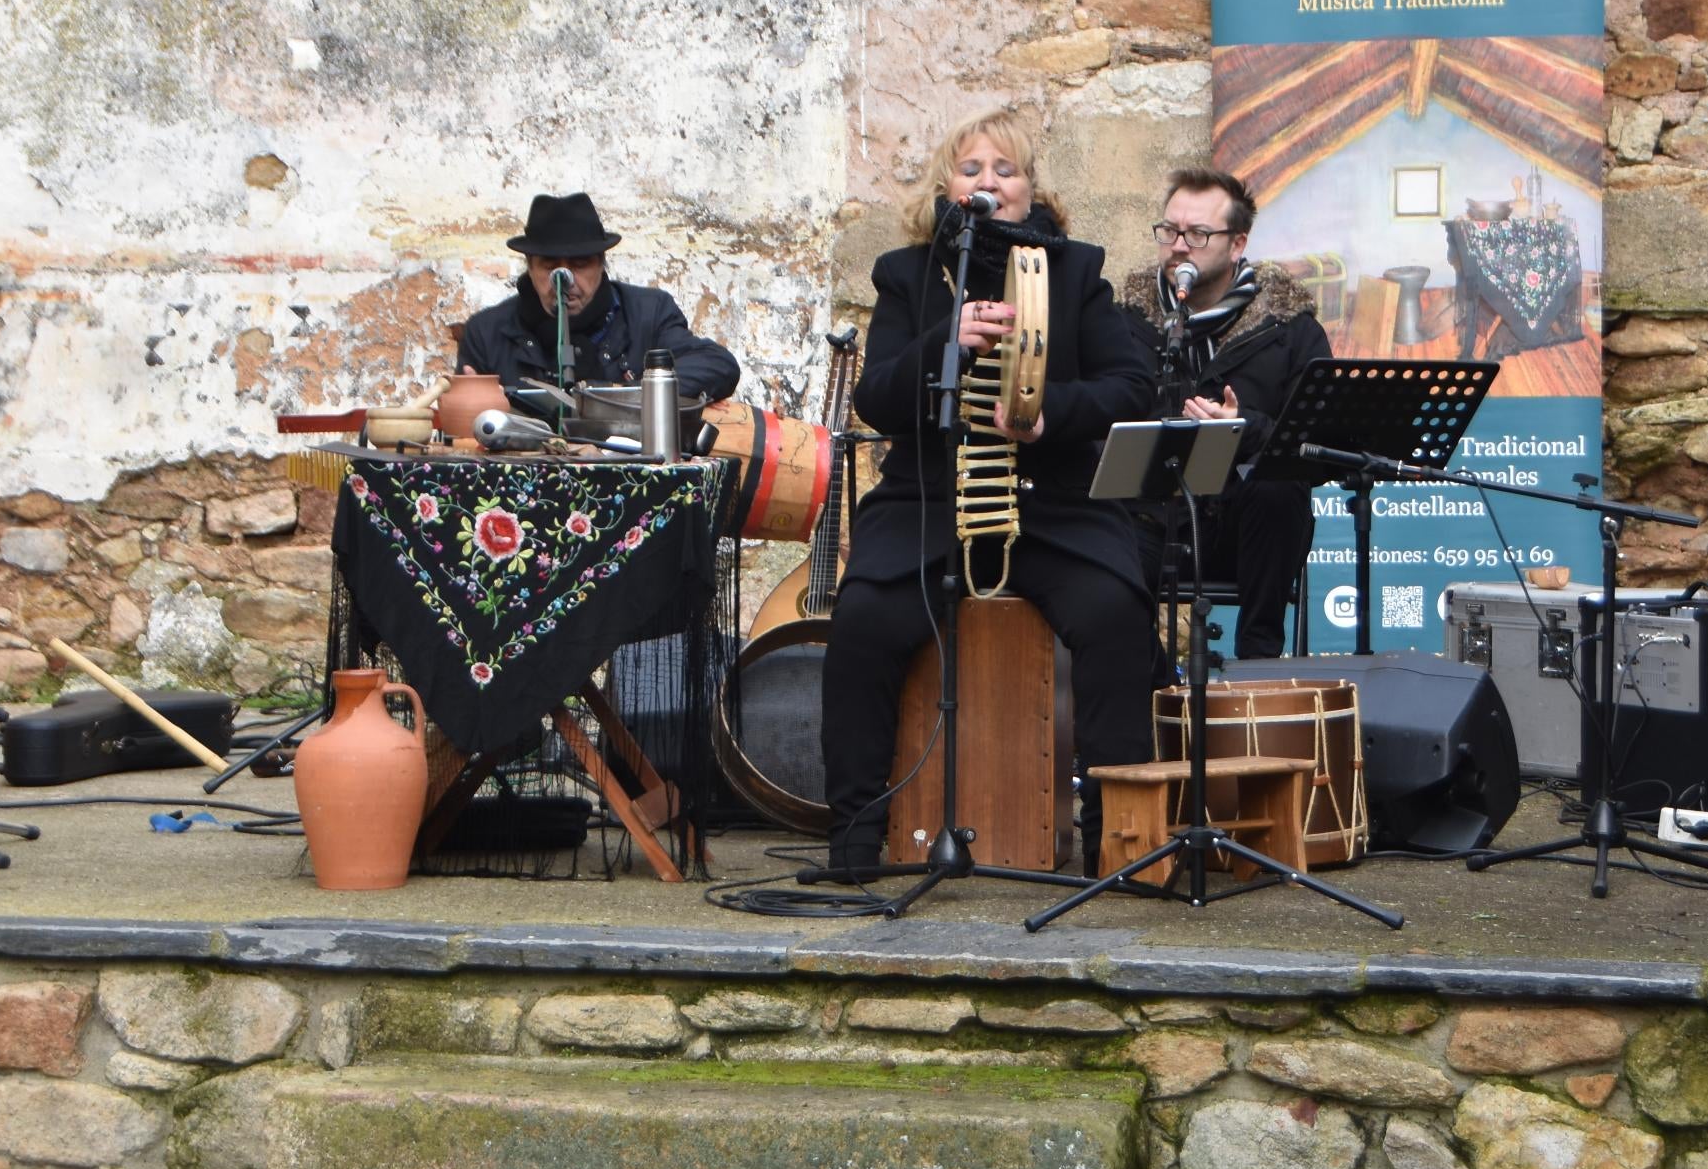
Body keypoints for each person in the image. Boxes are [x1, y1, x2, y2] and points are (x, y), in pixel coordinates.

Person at [816, 111, 1161, 879]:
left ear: (1032, 189)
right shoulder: (908, 276)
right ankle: (855, 839)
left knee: (1114, 614)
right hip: (927, 507)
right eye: (971, 168)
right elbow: (874, 396)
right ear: (948, 187)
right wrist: (945, 343)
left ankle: (1117, 842)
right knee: (863, 622)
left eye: (1005, 170)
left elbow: (1132, 385)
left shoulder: (1076, 272)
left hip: (1055, 506)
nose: (988, 182)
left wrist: (1046, 419)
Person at [1119, 168, 1329, 660]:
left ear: (1237, 245)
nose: (1178, 246)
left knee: (1278, 485)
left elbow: (1318, 449)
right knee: (1103, 544)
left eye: (1197, 234)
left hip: (1247, 532)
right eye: (1169, 231)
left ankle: (1259, 666)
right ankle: (1146, 681)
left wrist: (1245, 430)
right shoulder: (1123, 321)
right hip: (1151, 526)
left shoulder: (1290, 328)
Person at [449, 191, 740, 405]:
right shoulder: (487, 332)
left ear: (601, 264)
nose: (565, 280)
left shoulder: (648, 314)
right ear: (530, 266)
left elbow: (717, 364)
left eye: (579, 265)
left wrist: (630, 397)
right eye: (550, 266)